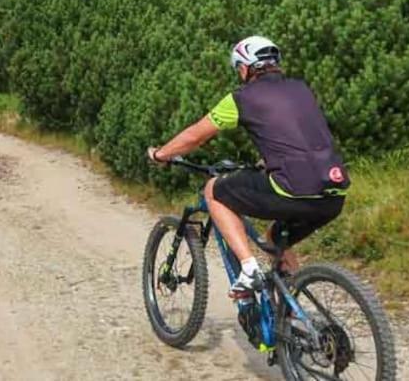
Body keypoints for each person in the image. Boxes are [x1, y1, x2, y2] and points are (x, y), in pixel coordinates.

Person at [147, 36, 349, 295]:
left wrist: (161, 154)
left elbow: (195, 136)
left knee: (214, 191)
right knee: (276, 239)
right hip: (333, 192)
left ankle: (248, 268)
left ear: (244, 68)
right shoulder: (301, 89)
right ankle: (293, 322)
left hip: (293, 189)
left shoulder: (241, 98)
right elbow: (297, 134)